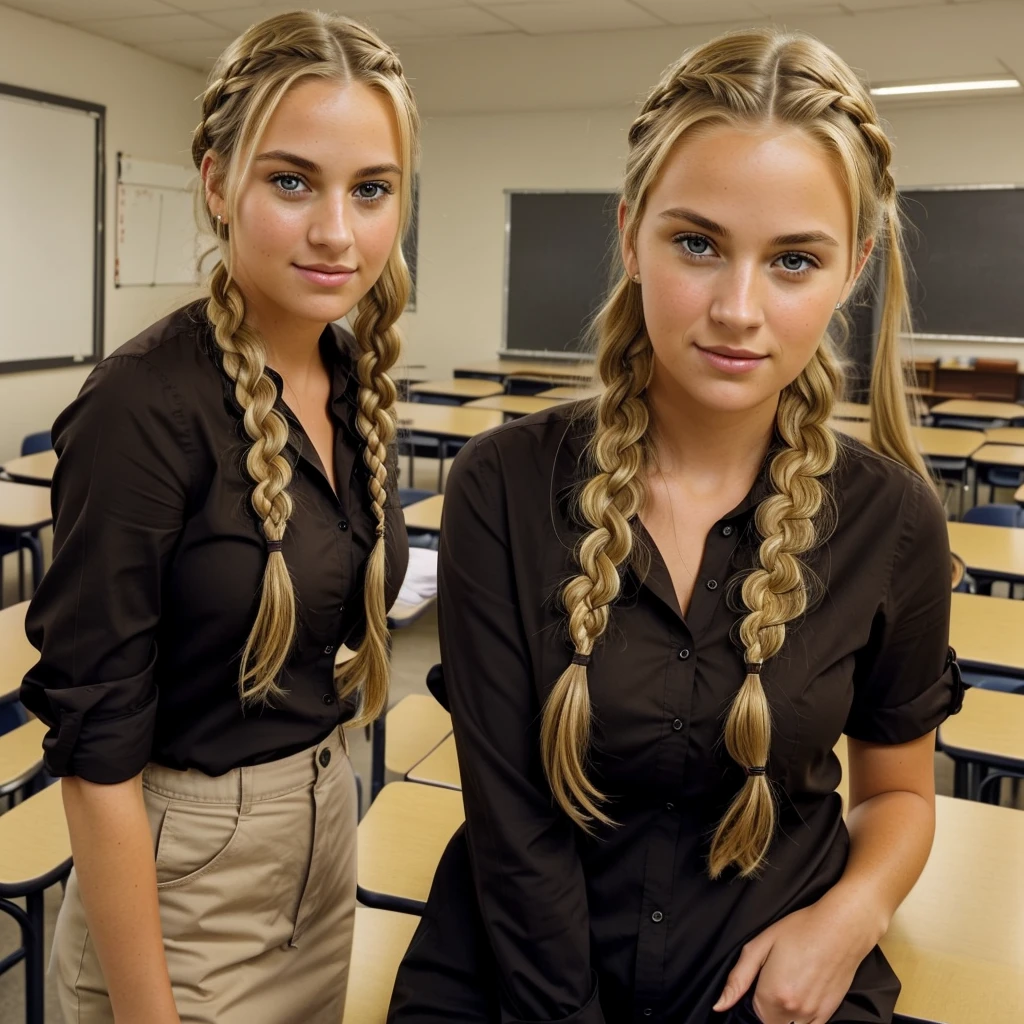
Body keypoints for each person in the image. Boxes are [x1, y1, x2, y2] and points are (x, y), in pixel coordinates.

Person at [389, 27, 962, 1024]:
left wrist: (851, 915)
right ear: (630, 234)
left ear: (852, 267)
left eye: (793, 260)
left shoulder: (894, 522)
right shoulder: (502, 489)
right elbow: (513, 825)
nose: (737, 308)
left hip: (764, 982)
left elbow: (899, 796)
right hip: (515, 976)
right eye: (695, 244)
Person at [21, 11, 418, 1023]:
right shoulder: (142, 408)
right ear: (215, 183)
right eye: (292, 181)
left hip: (328, 835)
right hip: (181, 880)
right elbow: (96, 752)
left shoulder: (349, 372)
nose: (338, 230)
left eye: (370, 190)